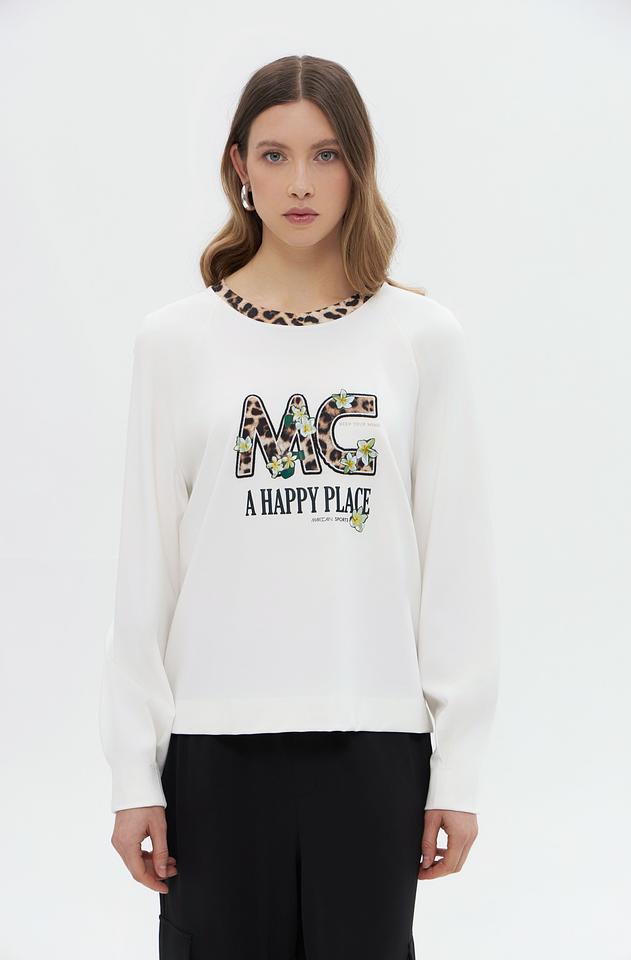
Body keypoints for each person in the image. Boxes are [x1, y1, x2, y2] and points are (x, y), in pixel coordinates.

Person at [99, 54, 501, 960]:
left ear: (358, 165)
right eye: (274, 156)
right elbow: (145, 572)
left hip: (374, 744)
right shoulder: (175, 344)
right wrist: (134, 774)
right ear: (238, 166)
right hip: (213, 746)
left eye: (326, 155)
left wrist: (459, 772)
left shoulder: (421, 339)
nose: (301, 183)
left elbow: (455, 566)